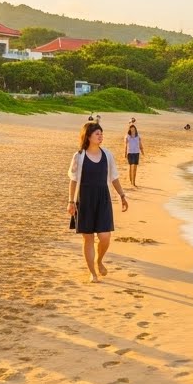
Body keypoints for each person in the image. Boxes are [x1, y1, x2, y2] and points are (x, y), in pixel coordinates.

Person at [69, 120, 128, 283]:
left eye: (101, 134)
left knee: (105, 237)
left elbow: (114, 177)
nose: (101, 136)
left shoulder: (107, 155)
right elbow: (73, 180)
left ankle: (99, 260)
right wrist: (71, 202)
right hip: (84, 199)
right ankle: (92, 273)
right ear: (88, 136)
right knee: (88, 238)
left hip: (103, 199)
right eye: (97, 134)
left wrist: (122, 195)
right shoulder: (79, 156)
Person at [123, 124, 144, 188]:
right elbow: (125, 145)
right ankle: (132, 182)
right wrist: (125, 153)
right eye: (131, 128)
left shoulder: (138, 136)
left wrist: (142, 151)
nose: (132, 129)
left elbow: (140, 145)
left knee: (135, 168)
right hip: (130, 153)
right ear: (129, 129)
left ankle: (133, 182)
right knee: (131, 167)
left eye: (133, 128)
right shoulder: (127, 136)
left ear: (135, 128)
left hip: (137, 153)